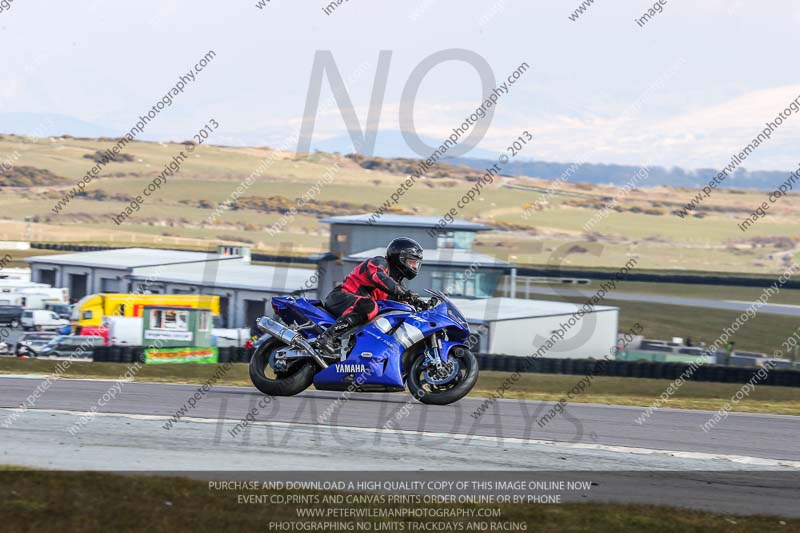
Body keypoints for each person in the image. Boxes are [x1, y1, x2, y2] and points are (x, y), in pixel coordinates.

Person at [314, 237, 424, 355]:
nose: (414, 267)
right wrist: (403, 292)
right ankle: (327, 337)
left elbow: (399, 306)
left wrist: (419, 304)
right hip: (340, 298)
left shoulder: (397, 286)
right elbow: (378, 276)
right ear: (400, 259)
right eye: (411, 262)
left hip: (356, 310)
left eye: (416, 263)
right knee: (369, 306)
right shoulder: (379, 263)